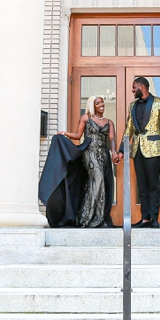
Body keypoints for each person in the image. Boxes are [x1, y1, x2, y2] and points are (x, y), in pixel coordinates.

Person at [54, 96, 120, 228]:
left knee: (98, 184)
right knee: (98, 179)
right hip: (89, 153)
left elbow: (112, 139)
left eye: (102, 102)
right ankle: (90, 218)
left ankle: (96, 217)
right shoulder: (86, 118)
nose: (101, 104)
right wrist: (65, 133)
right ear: (92, 105)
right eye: (98, 103)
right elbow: (78, 135)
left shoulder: (109, 122)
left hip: (103, 154)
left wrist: (114, 152)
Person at [122, 77, 160, 228]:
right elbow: (129, 128)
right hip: (137, 150)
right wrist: (122, 149)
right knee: (142, 185)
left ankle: (154, 218)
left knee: (153, 185)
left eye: (134, 87)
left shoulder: (159, 101)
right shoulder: (132, 105)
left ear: (142, 87)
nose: (133, 90)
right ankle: (145, 218)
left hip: (153, 148)